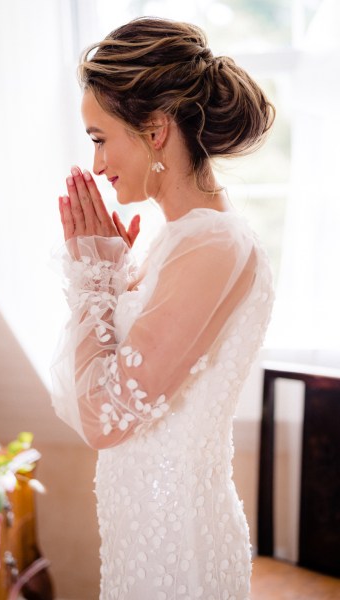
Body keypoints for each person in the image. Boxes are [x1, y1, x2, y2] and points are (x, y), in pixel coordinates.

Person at [50, 16, 275, 600]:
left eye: (101, 138)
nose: (96, 165)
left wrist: (94, 280)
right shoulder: (176, 244)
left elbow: (104, 418)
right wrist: (113, 278)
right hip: (143, 525)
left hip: (177, 544)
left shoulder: (212, 244)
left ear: (154, 130)